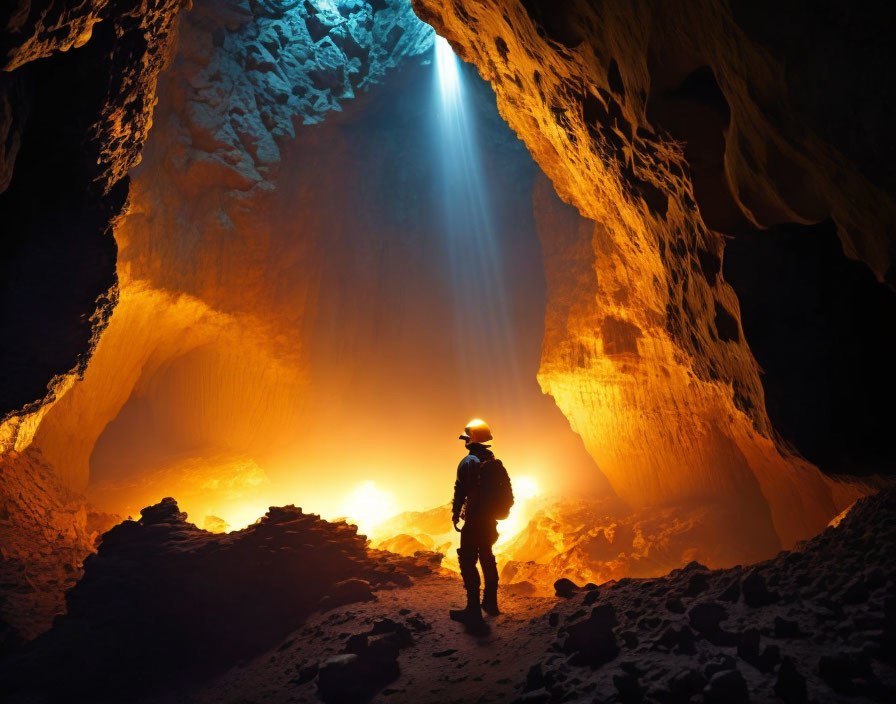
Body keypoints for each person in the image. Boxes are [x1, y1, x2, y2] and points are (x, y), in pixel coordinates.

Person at [449, 418, 510, 626]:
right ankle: (490, 603)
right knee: (487, 556)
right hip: (489, 520)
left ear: (470, 440)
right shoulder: (492, 459)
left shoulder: (468, 462)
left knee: (467, 561)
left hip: (474, 520)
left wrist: (456, 514)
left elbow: (461, 491)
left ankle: (473, 610)